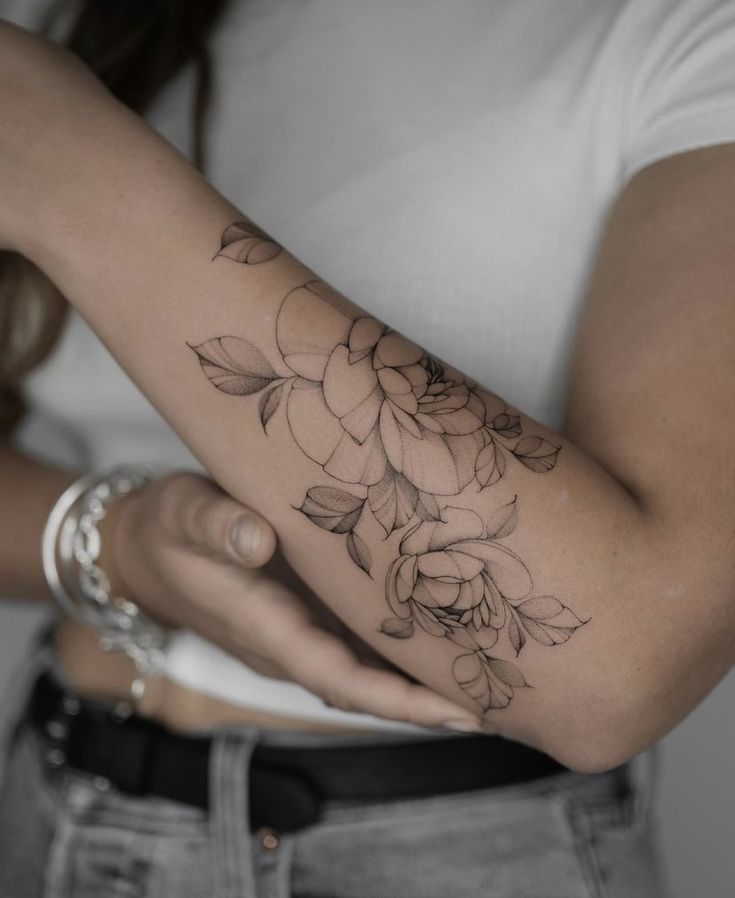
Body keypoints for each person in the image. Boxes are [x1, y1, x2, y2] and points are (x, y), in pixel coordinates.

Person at [0, 0, 734, 895]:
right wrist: (114, 543)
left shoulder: (690, 31)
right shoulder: (81, 17)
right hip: (54, 805)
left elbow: (616, 673)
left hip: (449, 857)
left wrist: (74, 173)